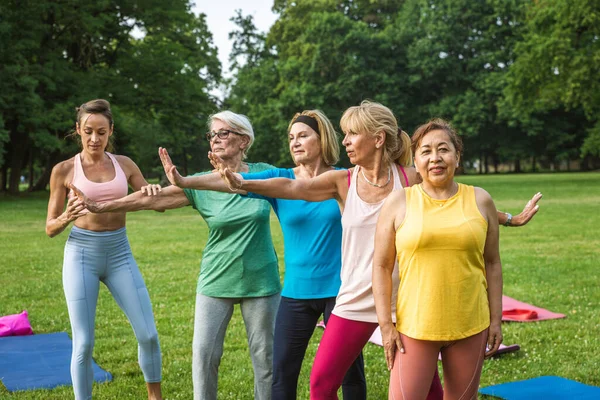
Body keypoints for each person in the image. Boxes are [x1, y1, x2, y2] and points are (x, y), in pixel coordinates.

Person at [202, 100, 541, 400]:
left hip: (406, 299)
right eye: (344, 133)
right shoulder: (344, 180)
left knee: (428, 389)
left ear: (377, 139)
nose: (345, 141)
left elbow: (455, 201)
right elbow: (293, 186)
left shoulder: (410, 177)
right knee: (321, 384)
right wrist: (245, 183)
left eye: (352, 133)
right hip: (355, 296)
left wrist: (509, 218)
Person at [71, 111, 280, 400]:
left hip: (262, 281)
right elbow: (151, 199)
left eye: (223, 133)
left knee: (265, 359)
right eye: (212, 135)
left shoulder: (265, 174)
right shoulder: (198, 183)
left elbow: (302, 187)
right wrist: (101, 206)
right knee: (204, 358)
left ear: (244, 140)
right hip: (216, 280)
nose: (216, 140)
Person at [158, 110, 367, 399]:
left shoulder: (344, 179)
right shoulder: (280, 179)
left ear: (323, 139)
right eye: (291, 137)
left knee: (349, 372)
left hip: (340, 290)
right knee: (281, 375)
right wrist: (185, 181)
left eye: (303, 136)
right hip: (296, 293)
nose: (295, 142)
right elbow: (233, 182)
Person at [372, 118, 502, 399]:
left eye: (443, 149)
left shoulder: (481, 200)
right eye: (426, 151)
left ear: (457, 156)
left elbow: (492, 262)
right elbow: (381, 267)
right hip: (414, 328)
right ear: (415, 160)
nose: (435, 158)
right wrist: (386, 326)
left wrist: (495, 319)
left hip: (470, 324)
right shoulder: (398, 202)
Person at [45, 99, 163, 400]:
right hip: (81, 254)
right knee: (83, 343)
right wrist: (66, 216)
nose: (94, 139)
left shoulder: (124, 164)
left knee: (148, 334)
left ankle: (155, 397)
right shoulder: (63, 170)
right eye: (88, 132)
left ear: (111, 131)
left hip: (119, 252)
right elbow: (50, 228)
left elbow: (153, 201)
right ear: (78, 131)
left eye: (101, 132)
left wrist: (150, 191)